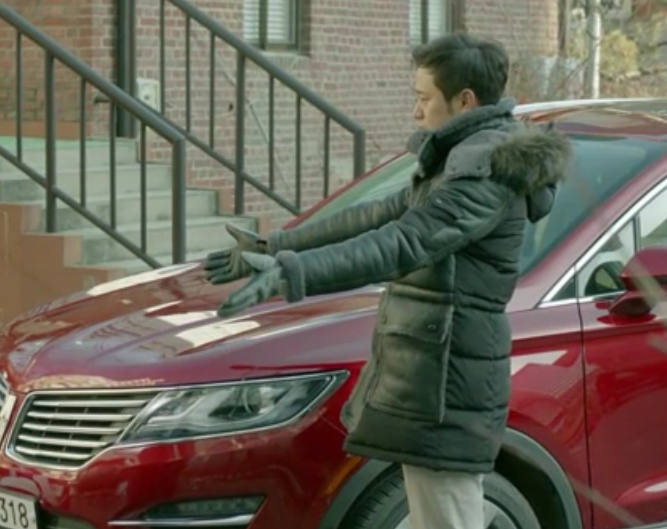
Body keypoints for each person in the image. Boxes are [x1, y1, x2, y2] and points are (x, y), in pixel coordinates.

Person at [203, 34, 572, 529]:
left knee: (448, 517)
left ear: (465, 101)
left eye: (424, 99)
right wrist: (277, 246)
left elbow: (403, 243)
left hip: (447, 379)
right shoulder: (462, 158)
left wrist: (291, 273)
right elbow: (376, 214)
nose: (415, 112)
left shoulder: (484, 173)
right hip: (434, 371)